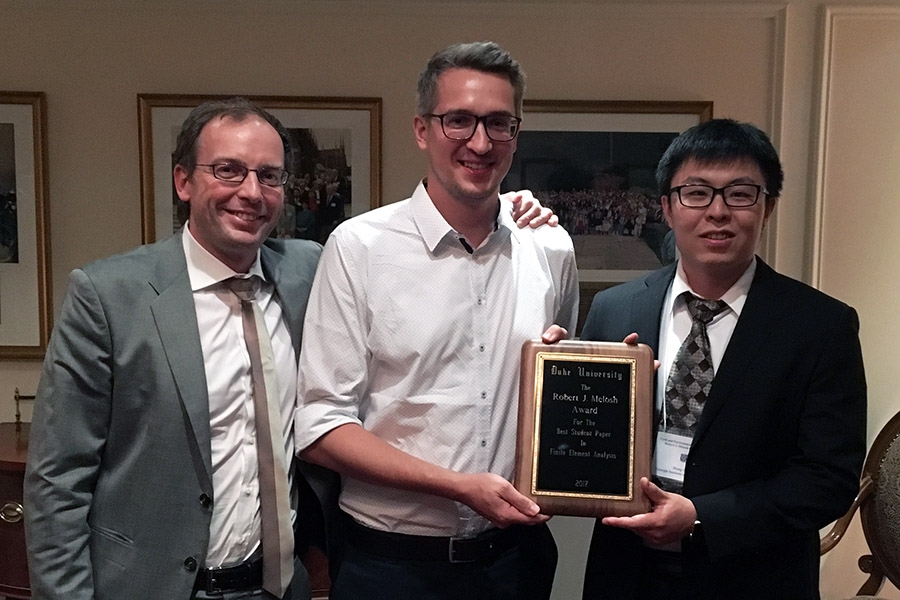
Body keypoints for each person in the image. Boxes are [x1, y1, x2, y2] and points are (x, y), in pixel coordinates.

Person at [294, 41, 579, 600]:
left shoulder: (550, 247)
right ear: (422, 129)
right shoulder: (359, 247)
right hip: (391, 567)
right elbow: (321, 427)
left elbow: (556, 390)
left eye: (499, 123)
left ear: (515, 134)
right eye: (460, 121)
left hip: (515, 563)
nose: (480, 142)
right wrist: (459, 487)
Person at [23, 97, 334, 600]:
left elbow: (388, 261)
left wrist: (503, 211)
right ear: (184, 181)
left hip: (280, 589)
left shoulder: (308, 272)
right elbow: (58, 481)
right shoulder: (108, 296)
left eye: (269, 176)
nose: (251, 192)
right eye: (228, 171)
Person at [580, 118, 867, 600]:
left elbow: (828, 478)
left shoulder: (821, 326)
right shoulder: (614, 310)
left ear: (767, 207)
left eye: (739, 194)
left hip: (756, 577)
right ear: (667, 208)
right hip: (626, 575)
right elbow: (586, 438)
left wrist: (701, 517)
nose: (717, 212)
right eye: (696, 193)